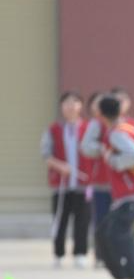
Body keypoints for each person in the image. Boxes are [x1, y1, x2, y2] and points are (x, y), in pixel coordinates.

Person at [91, 95, 134, 279]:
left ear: (100, 115)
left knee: (119, 233)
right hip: (128, 195)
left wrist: (114, 161)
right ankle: (123, 277)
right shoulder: (126, 128)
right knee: (103, 233)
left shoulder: (116, 134)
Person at [41, 91, 92, 269]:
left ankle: (80, 253)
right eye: (67, 103)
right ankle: (58, 254)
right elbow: (46, 154)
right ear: (61, 106)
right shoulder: (53, 129)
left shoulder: (88, 128)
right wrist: (59, 166)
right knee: (60, 220)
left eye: (75, 102)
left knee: (82, 220)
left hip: (83, 184)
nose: (71, 106)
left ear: (81, 106)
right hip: (61, 184)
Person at [84, 92, 113, 267]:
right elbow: (86, 147)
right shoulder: (95, 125)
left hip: (118, 184)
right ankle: (101, 256)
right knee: (101, 221)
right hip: (101, 182)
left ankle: (114, 256)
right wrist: (103, 148)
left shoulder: (120, 124)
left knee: (115, 223)